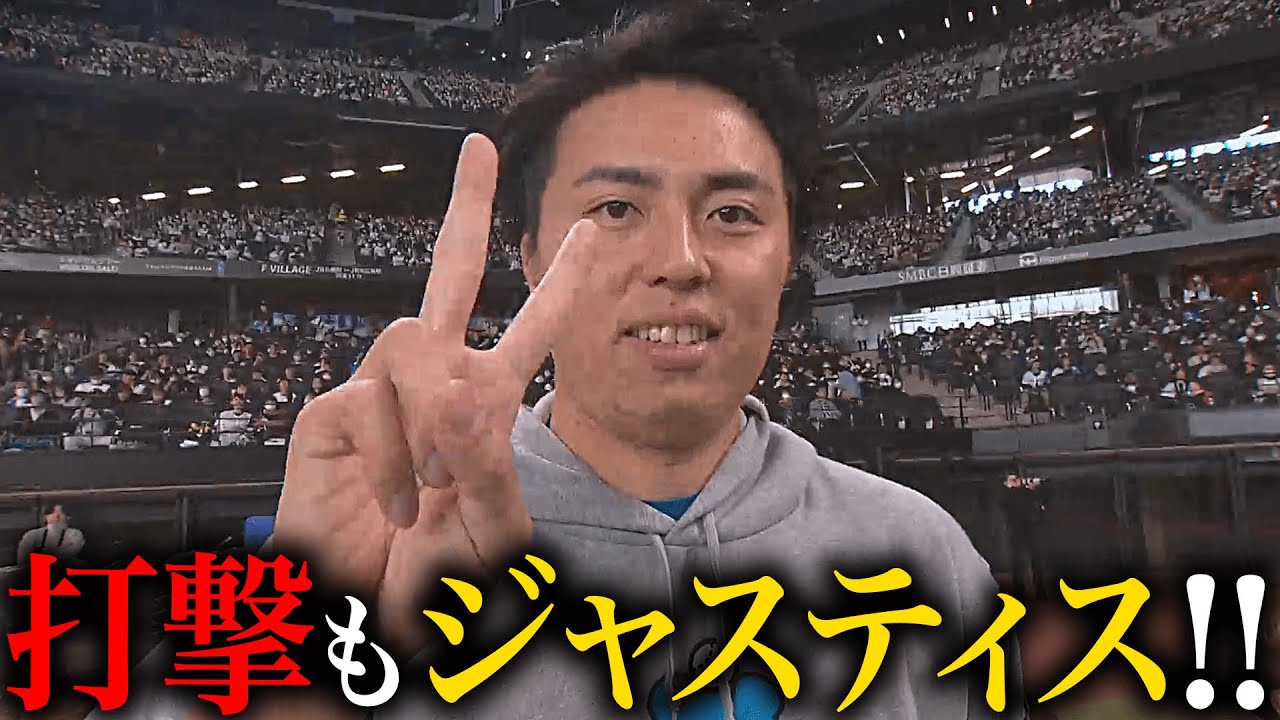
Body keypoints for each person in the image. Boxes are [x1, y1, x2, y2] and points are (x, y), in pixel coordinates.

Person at [100, 4, 1022, 719]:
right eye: (616, 210)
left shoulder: (920, 555)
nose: (681, 261)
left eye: (733, 214)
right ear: (532, 259)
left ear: (788, 260)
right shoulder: (398, 541)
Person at [16, 504, 85, 565]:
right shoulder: (31, 535)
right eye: (51, 513)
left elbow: (66, 556)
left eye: (61, 513)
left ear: (68, 517)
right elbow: (23, 561)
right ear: (45, 516)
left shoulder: (75, 534)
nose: (56, 517)